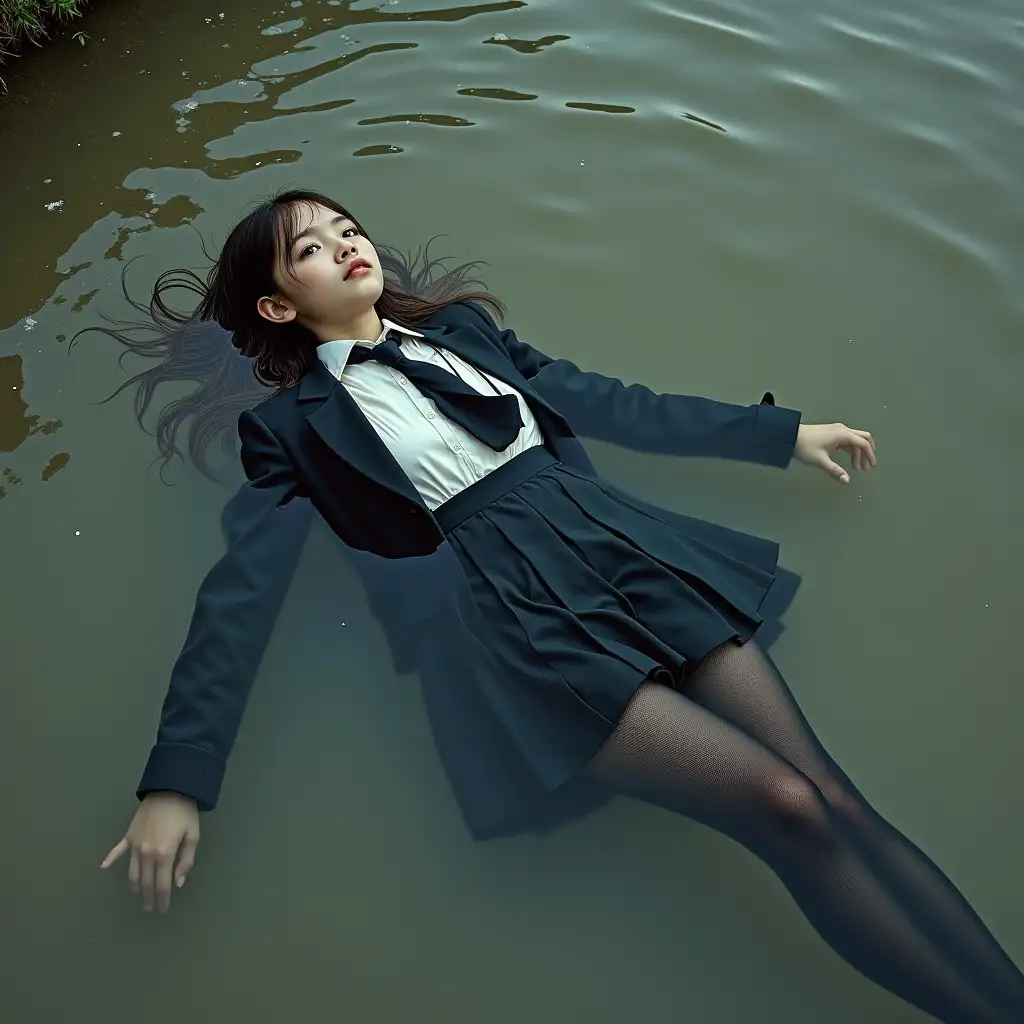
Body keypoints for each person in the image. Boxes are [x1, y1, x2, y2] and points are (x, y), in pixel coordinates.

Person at [88, 189, 1022, 1022]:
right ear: (278, 305)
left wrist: (777, 436)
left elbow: (607, 401)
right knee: (788, 808)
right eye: (311, 250)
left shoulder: (462, 332)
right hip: (509, 619)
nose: (346, 246)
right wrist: (177, 780)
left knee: (835, 798)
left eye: (348, 229)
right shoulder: (286, 432)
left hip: (621, 550)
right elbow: (239, 595)